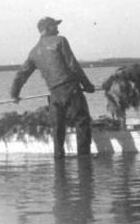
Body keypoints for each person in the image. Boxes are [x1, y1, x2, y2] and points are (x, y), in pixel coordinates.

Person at [10, 17, 95, 158]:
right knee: (82, 122)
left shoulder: (34, 52)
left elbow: (21, 75)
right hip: (70, 89)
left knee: (58, 128)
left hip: (54, 94)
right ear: (48, 28)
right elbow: (73, 66)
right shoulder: (60, 41)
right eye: (55, 26)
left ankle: (59, 163)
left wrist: (14, 94)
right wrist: (87, 85)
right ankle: (84, 162)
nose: (58, 29)